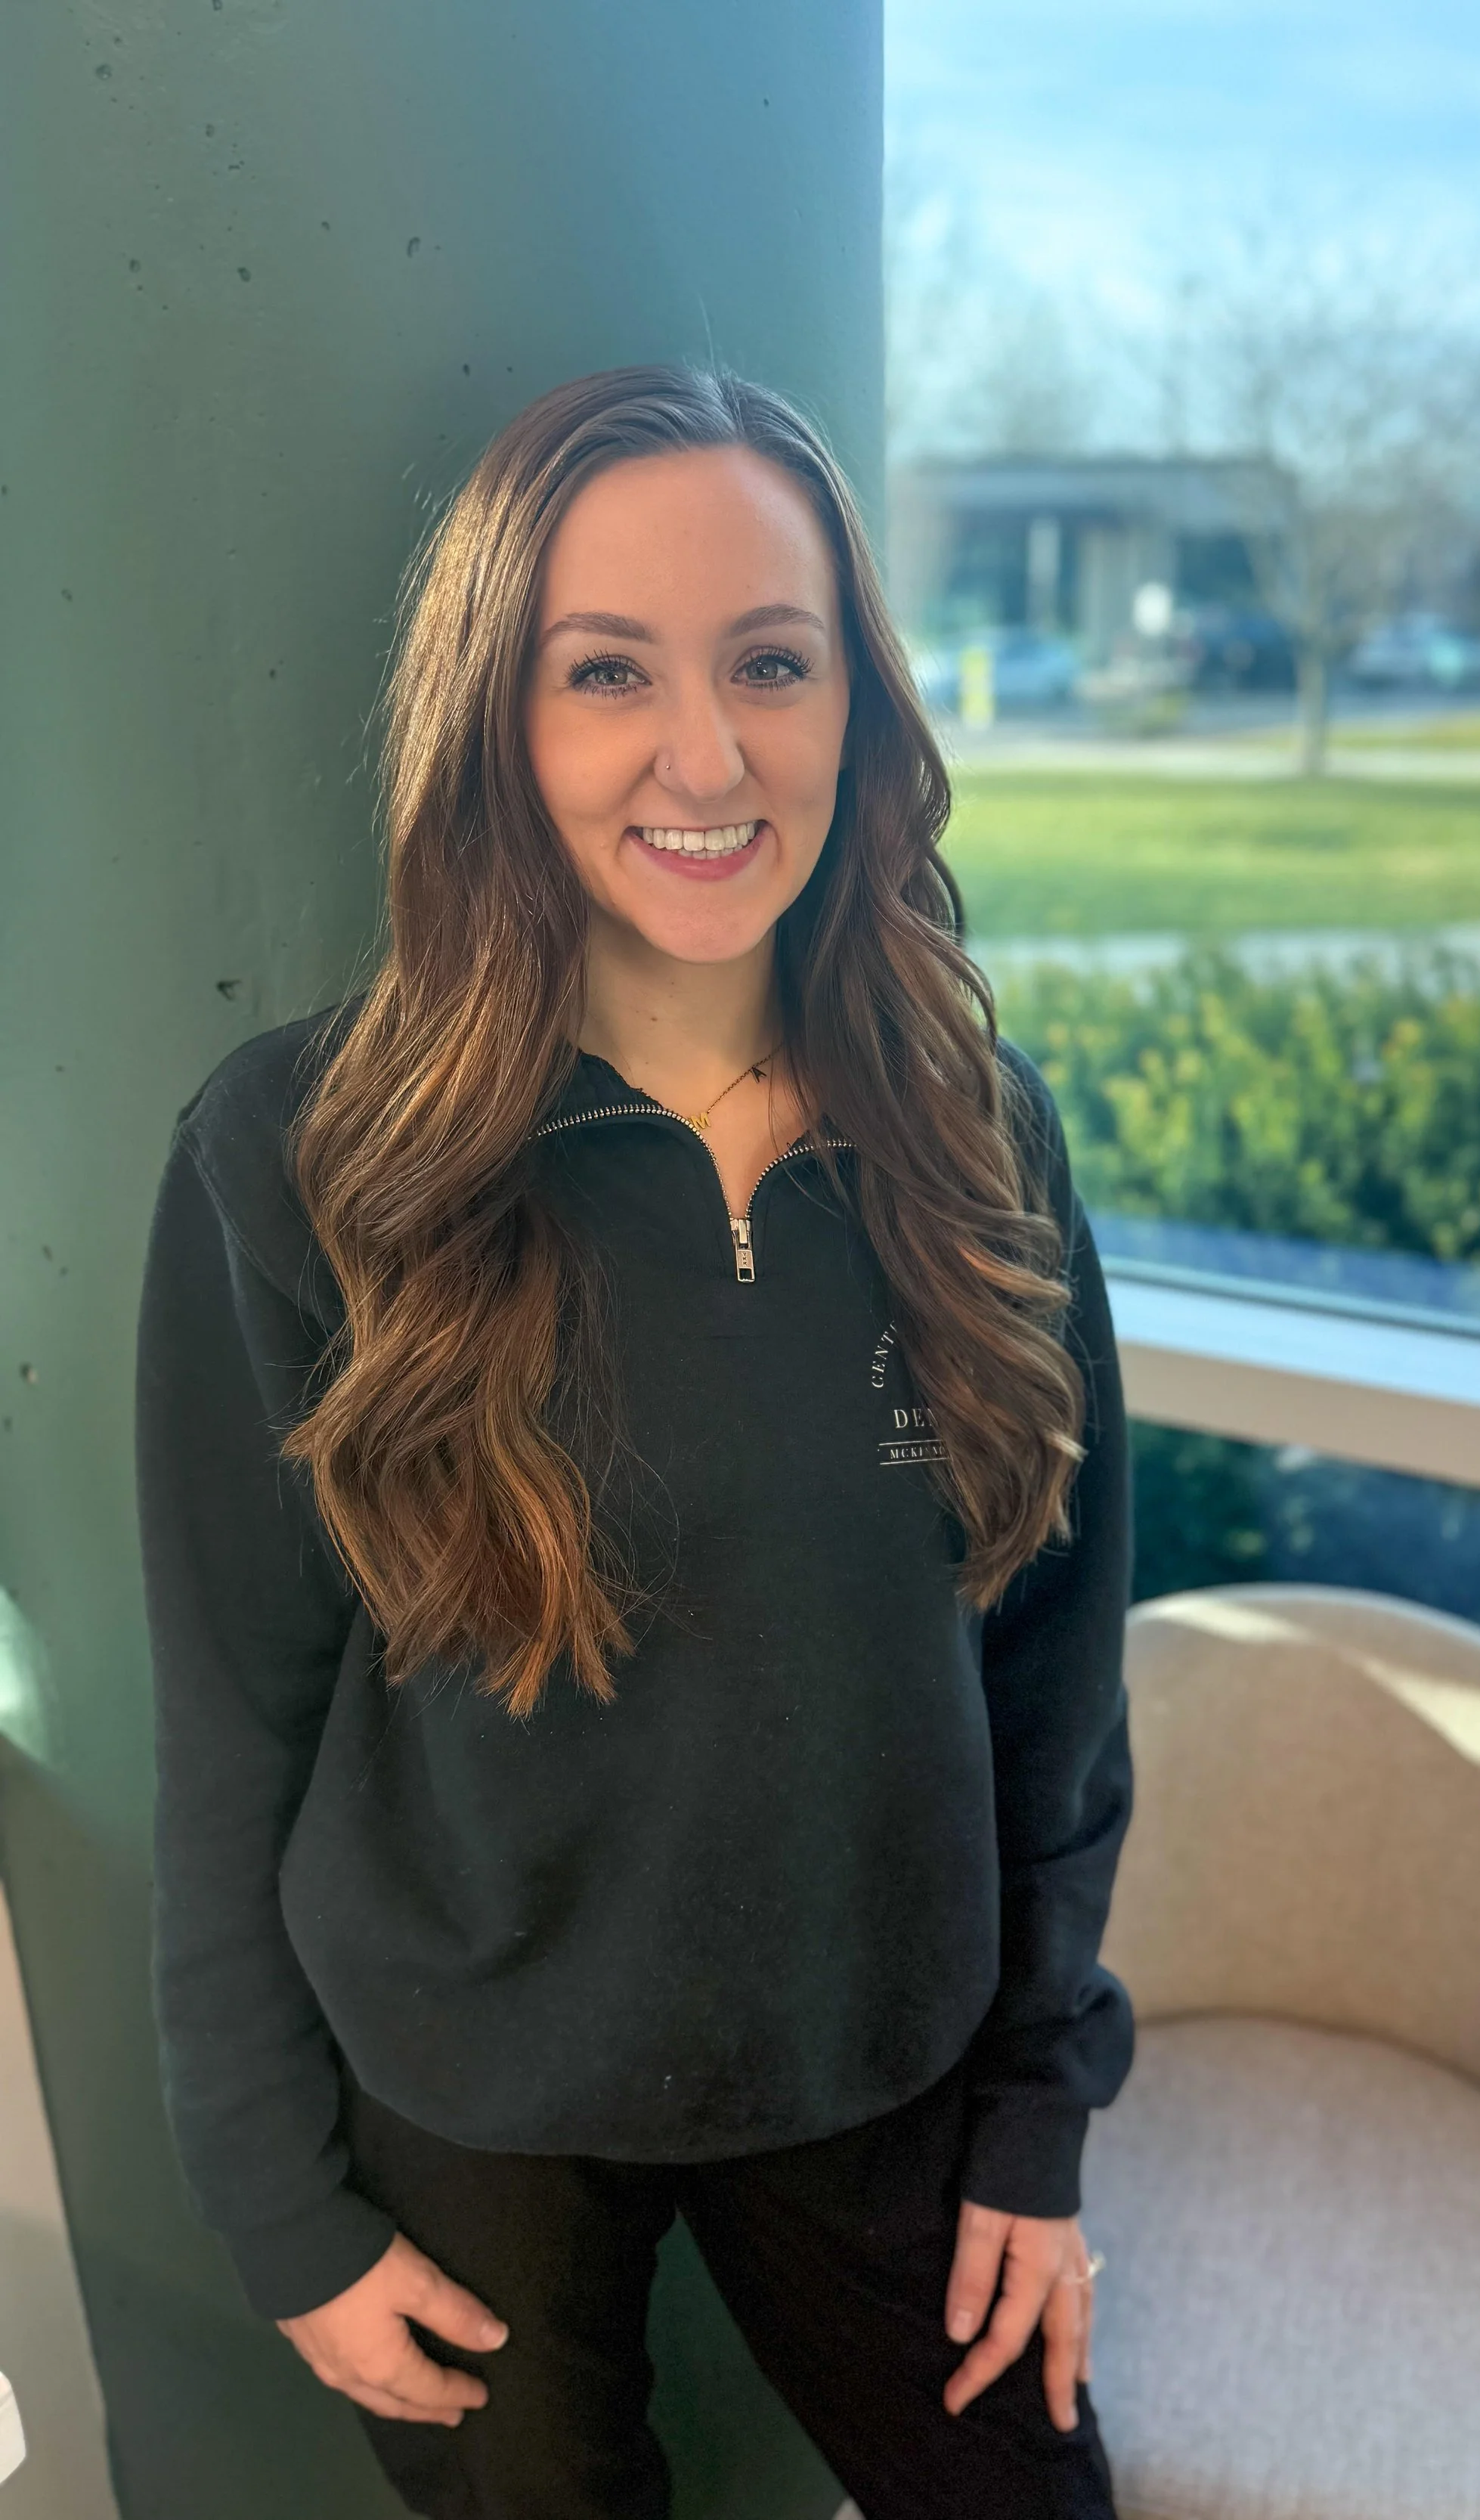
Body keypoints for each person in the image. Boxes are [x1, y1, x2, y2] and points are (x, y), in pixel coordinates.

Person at [135, 365, 1134, 2520]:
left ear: (857, 703)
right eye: (609, 673)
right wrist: (276, 2203)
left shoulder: (977, 1136)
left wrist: (1042, 2116)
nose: (706, 756)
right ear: (496, 720)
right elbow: (231, 1725)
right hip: (464, 2094)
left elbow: (1056, 1674)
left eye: (771, 662)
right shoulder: (300, 1155)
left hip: (891, 2057)